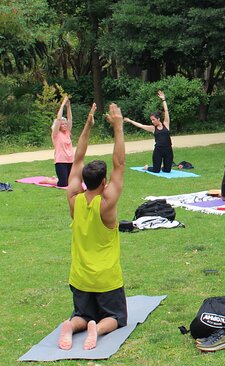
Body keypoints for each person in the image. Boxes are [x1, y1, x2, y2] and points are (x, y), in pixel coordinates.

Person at [58, 103, 128, 350]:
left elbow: (77, 158)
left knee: (82, 314)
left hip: (79, 278)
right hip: (106, 279)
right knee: (117, 318)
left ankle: (73, 325)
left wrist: (87, 126)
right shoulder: (106, 204)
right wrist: (118, 125)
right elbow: (119, 164)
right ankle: (97, 329)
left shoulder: (74, 199)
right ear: (104, 182)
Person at [123, 90, 173, 173]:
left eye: (153, 120)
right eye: (151, 120)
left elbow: (166, 111)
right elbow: (141, 125)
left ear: (158, 119)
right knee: (156, 170)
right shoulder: (153, 128)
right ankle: (147, 167)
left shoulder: (166, 124)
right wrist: (130, 121)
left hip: (168, 150)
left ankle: (162, 166)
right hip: (158, 151)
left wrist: (163, 100)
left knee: (167, 171)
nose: (152, 121)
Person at [43, 95, 74, 187]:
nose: (65, 125)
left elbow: (70, 119)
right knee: (63, 184)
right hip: (60, 161)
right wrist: (63, 104)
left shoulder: (67, 132)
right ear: (59, 125)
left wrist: (68, 107)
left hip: (70, 160)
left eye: (65, 124)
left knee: (71, 182)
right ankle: (48, 180)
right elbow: (58, 119)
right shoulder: (56, 134)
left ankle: (55, 178)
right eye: (63, 124)